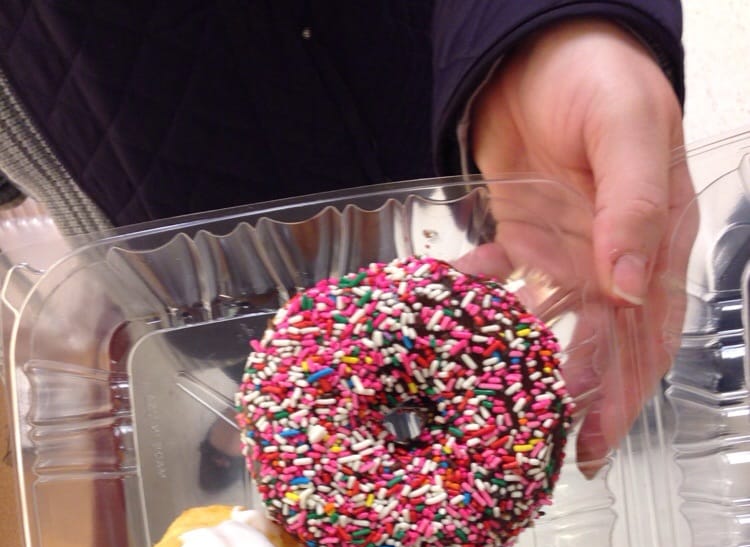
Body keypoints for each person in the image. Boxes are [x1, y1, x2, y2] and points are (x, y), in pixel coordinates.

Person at [0, 1, 691, 473]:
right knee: (248, 343)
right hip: (133, 185)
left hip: (396, 81)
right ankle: (288, 436)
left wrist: (544, 20)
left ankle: (399, 454)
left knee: (462, 290)